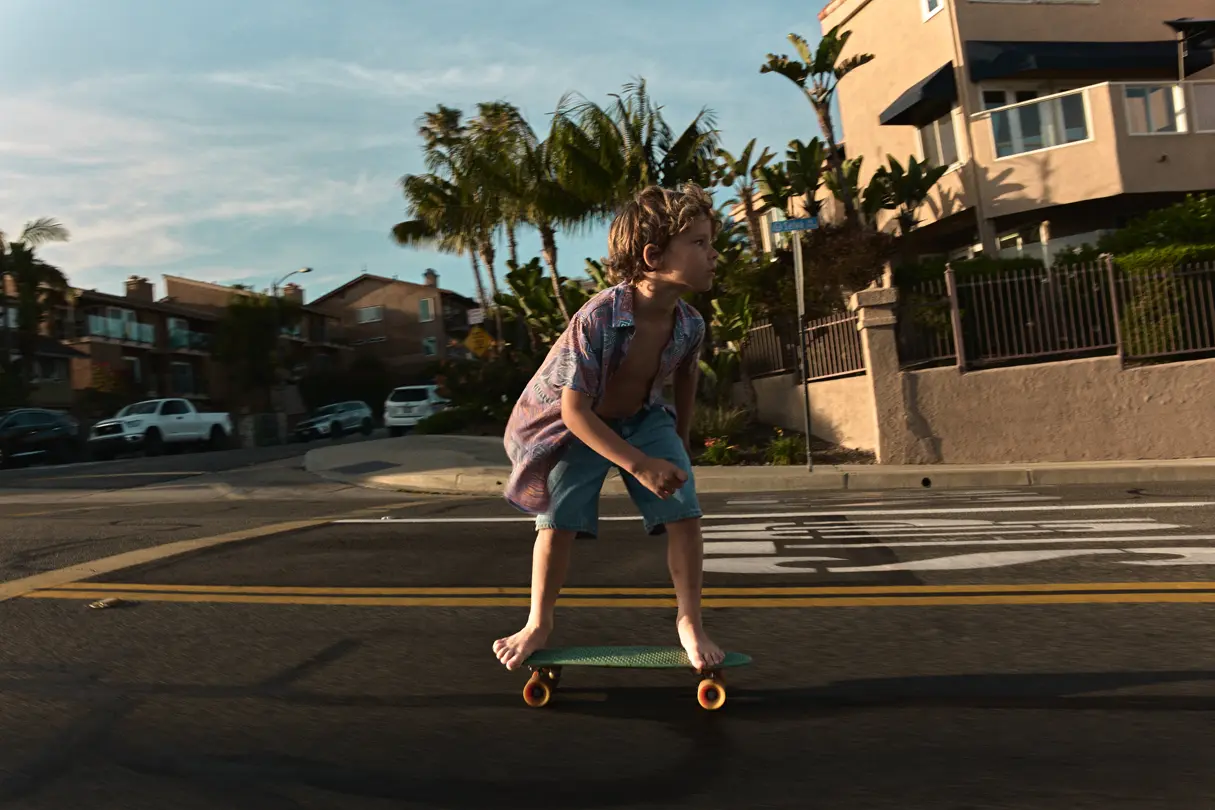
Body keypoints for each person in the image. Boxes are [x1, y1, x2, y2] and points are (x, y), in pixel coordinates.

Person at [493, 182, 726, 673]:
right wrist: (639, 466)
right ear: (653, 255)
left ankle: (689, 620)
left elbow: (685, 378)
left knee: (686, 513)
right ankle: (538, 621)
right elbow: (574, 411)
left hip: (644, 418)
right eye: (700, 243)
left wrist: (679, 442)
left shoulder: (690, 324)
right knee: (558, 522)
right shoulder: (599, 318)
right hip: (581, 425)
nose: (713, 255)